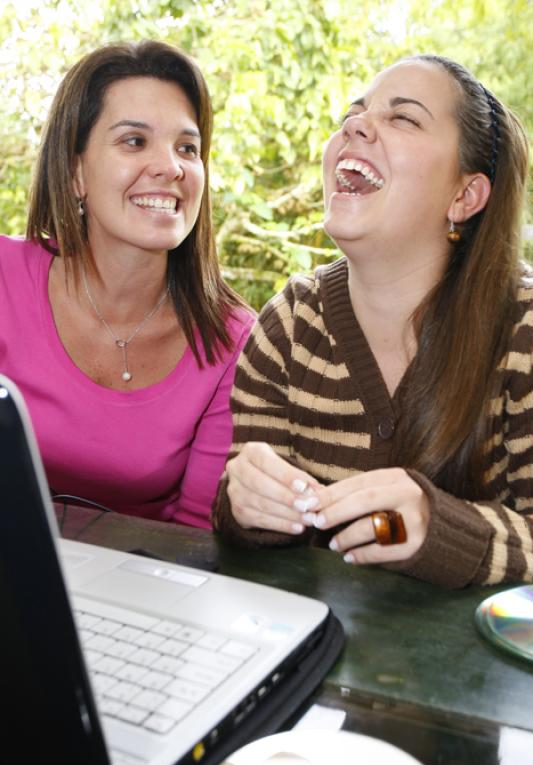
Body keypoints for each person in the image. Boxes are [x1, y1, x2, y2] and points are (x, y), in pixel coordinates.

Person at [212, 54, 532, 587]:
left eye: (403, 118)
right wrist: (244, 504)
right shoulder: (289, 325)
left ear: (465, 195)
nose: (354, 125)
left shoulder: (522, 326)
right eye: (352, 115)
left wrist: (441, 529)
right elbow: (241, 535)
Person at [0, 40, 254, 528]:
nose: (171, 166)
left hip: (143, 590)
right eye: (135, 141)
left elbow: (196, 539)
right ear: (76, 172)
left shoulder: (233, 340)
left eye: (188, 148)